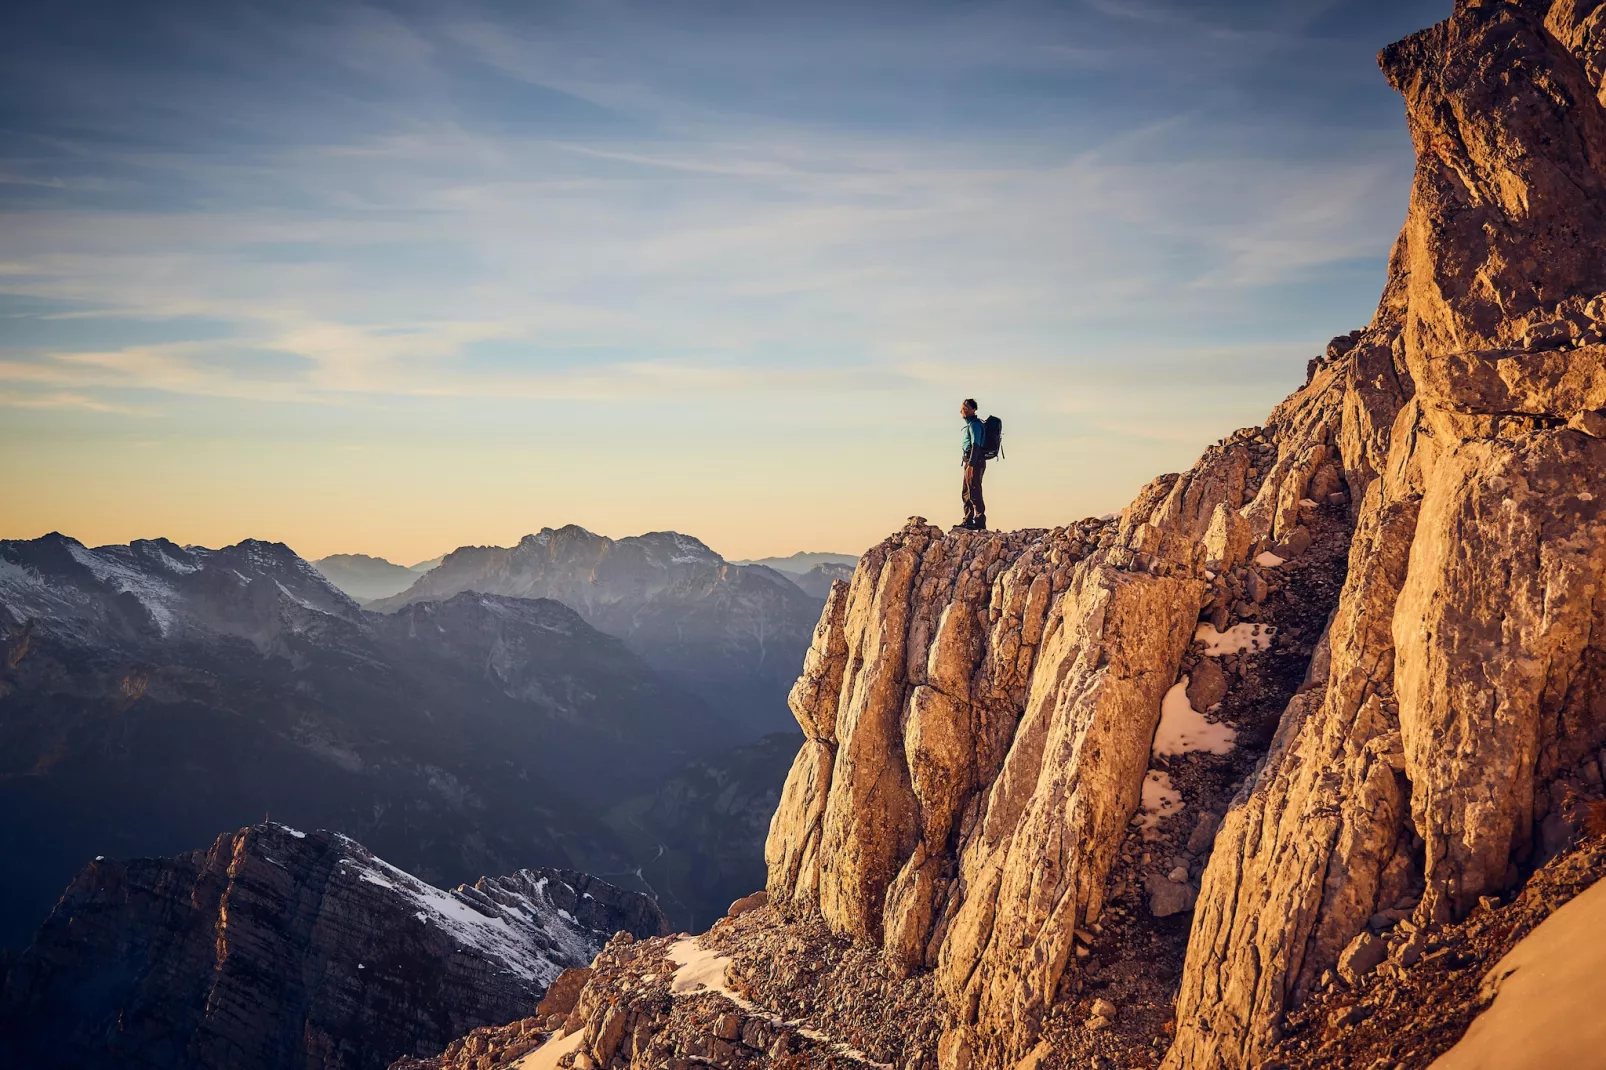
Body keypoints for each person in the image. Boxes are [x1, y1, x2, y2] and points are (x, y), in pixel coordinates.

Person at [959, 398, 987, 531]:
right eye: (962, 409)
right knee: (966, 491)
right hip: (971, 462)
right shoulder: (970, 425)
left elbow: (976, 445)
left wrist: (971, 464)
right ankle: (968, 520)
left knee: (974, 491)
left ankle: (979, 521)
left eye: (964, 409)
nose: (961, 412)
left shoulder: (975, 425)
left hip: (975, 462)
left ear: (973, 410)